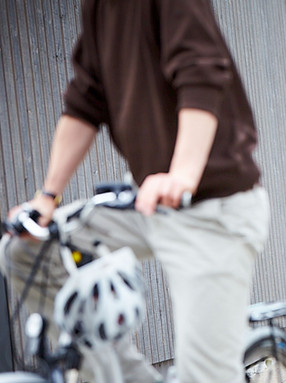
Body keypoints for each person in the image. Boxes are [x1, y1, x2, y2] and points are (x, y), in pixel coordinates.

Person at [0, 0, 270, 382]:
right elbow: (84, 100)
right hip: (146, 205)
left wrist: (182, 175)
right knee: (26, 249)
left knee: (206, 376)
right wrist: (46, 198)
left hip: (213, 209)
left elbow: (201, 70)